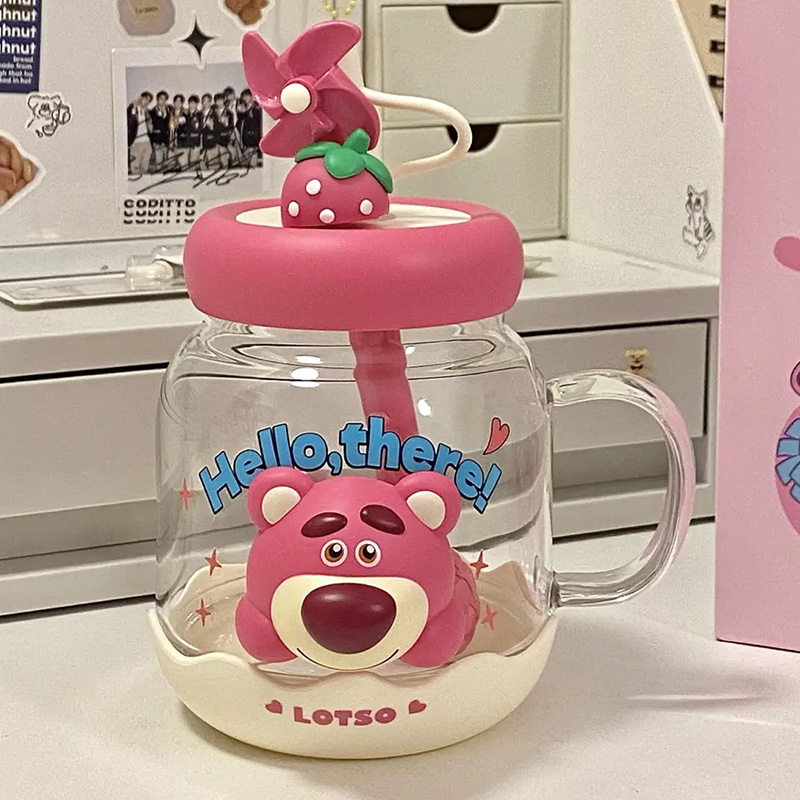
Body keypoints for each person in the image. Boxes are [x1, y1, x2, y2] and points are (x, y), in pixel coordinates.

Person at [127, 91, 153, 175]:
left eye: (149, 101)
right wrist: (133, 109)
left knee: (145, 168)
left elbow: (150, 126)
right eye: (146, 99)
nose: (147, 102)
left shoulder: (146, 111)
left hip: (147, 142)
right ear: (141, 98)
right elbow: (129, 123)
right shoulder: (132, 108)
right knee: (135, 168)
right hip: (136, 142)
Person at [237, 89, 262, 168]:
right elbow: (240, 121)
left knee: (252, 162)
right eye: (243, 96)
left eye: (247, 96)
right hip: (245, 138)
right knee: (245, 163)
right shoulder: (242, 108)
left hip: (254, 137)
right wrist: (241, 112)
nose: (245, 98)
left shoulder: (257, 107)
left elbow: (258, 122)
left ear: (251, 96)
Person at [149, 90, 172, 172]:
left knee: (166, 164)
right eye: (161, 99)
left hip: (166, 142)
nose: (163, 101)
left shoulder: (168, 110)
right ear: (157, 99)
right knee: (159, 165)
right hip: (157, 142)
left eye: (165, 99)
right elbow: (150, 128)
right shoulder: (152, 112)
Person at [213, 92, 235, 167]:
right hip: (216, 139)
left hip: (226, 138)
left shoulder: (229, 113)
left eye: (221, 100)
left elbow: (231, 127)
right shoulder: (213, 113)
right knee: (219, 158)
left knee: (232, 153)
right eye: (217, 100)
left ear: (224, 100)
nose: (219, 102)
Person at [200, 92, 219, 169]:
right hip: (202, 142)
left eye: (208, 101)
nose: (206, 103)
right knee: (201, 164)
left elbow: (218, 128)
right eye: (204, 101)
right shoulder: (199, 113)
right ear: (202, 102)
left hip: (212, 142)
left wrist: (212, 127)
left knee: (213, 164)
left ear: (210, 102)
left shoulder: (215, 114)